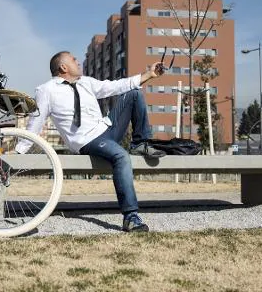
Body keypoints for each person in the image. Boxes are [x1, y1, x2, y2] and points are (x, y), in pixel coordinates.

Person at [16, 51, 166, 232]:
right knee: (121, 156)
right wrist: (19, 152)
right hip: (87, 141)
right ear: (63, 67)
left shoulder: (85, 82)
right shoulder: (46, 90)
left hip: (107, 128)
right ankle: (131, 216)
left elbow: (116, 86)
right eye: (73, 60)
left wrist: (149, 74)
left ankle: (140, 143)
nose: (78, 62)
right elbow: (35, 123)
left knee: (133, 93)